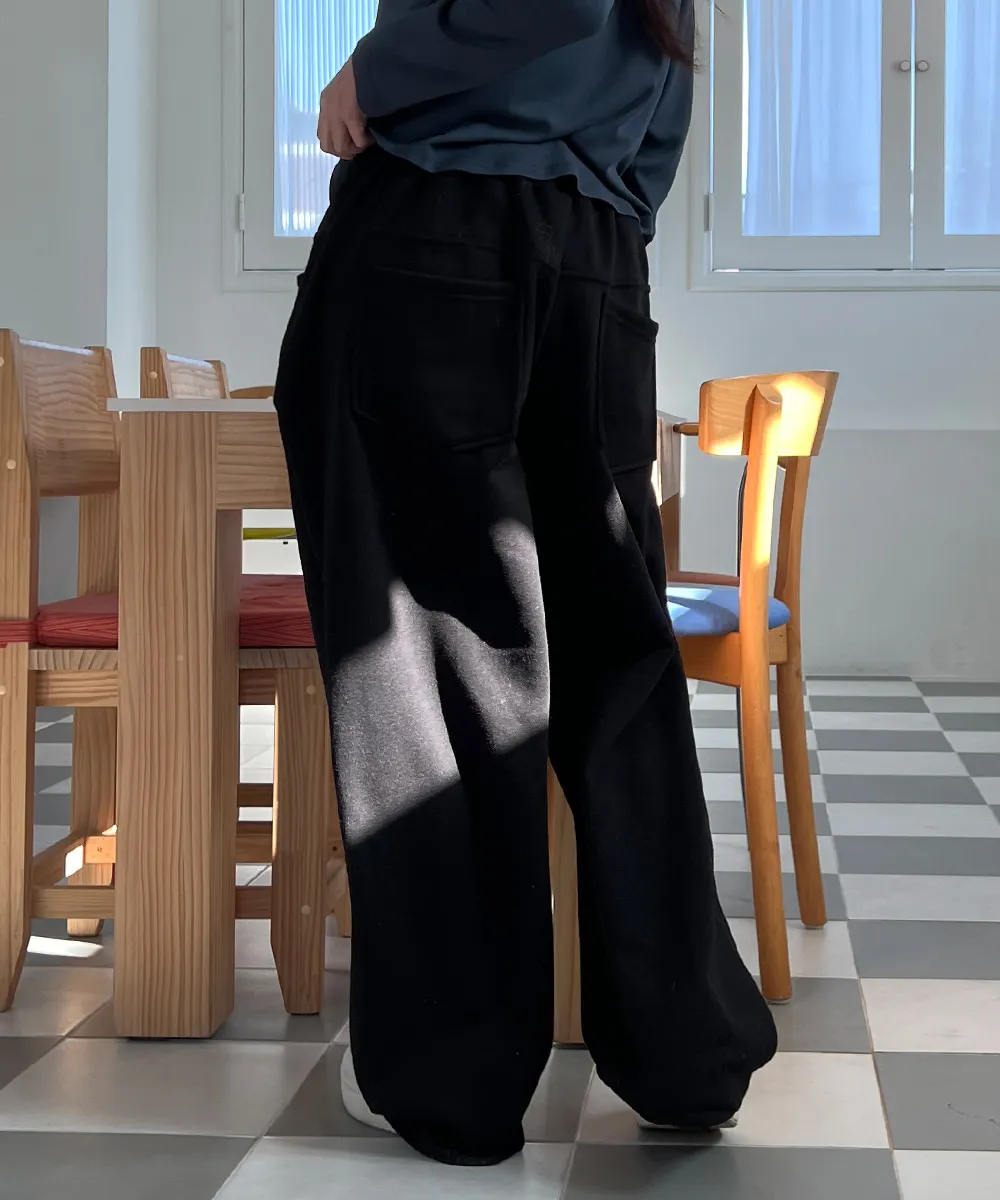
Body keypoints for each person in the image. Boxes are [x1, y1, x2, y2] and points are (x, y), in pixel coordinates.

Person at [273, 0, 777, 1169]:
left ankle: (451, 1075)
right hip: (596, 251)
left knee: (436, 674)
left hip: (431, 239)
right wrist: (608, 208)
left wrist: (375, 68)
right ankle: (683, 1049)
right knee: (617, 665)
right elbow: (655, 58)